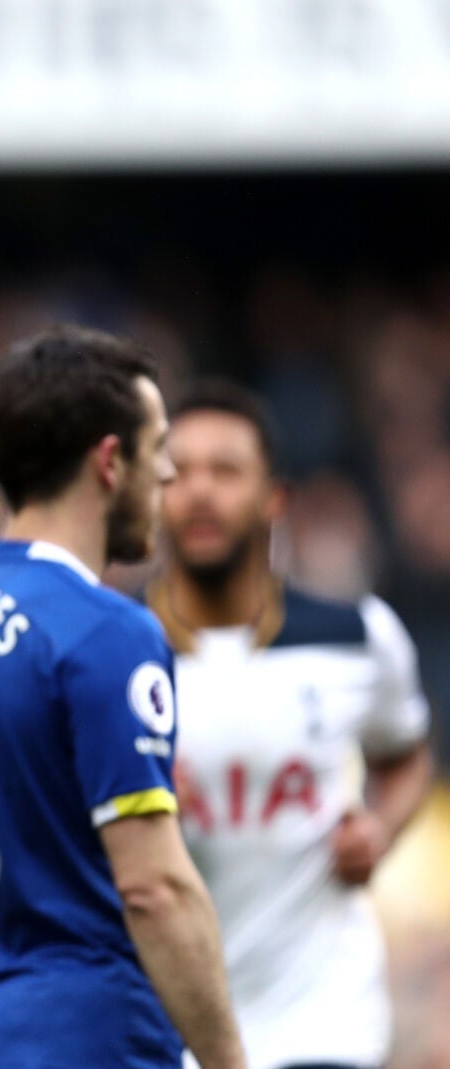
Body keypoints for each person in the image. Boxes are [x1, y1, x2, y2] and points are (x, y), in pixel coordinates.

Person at [0, 325, 247, 1069]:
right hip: (95, 1037)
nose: (168, 473)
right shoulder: (109, 632)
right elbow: (156, 887)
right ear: (110, 461)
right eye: (158, 445)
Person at [148, 381, 435, 1069]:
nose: (200, 492)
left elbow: (406, 755)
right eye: (177, 472)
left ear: (274, 498)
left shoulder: (355, 636)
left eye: (225, 470)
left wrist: (380, 828)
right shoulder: (109, 651)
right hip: (166, 1023)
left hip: (322, 1017)